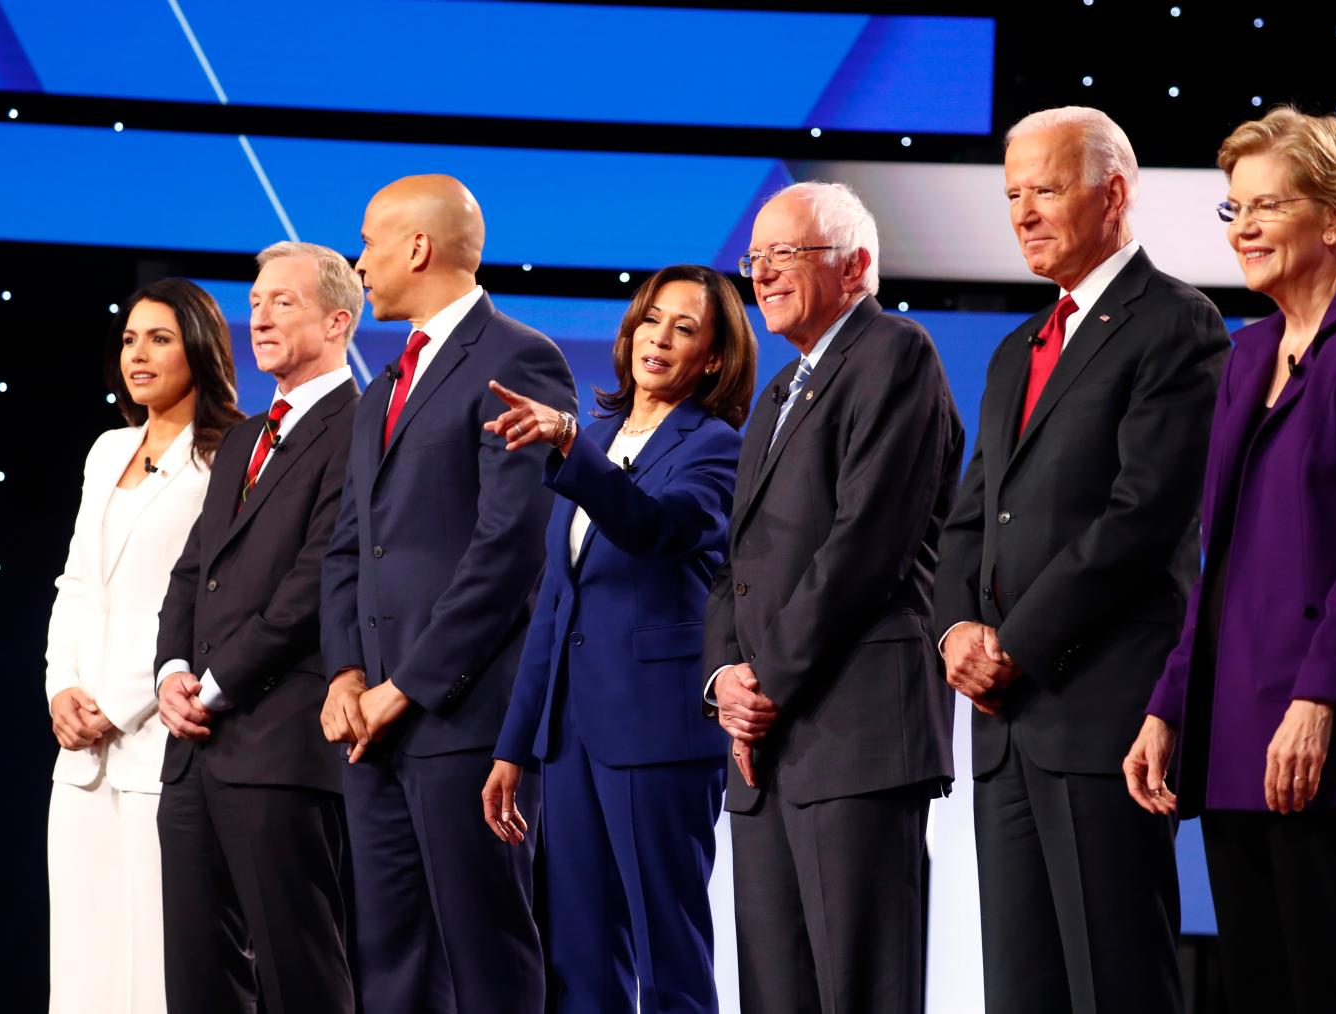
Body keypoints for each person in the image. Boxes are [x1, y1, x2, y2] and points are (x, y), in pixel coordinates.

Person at [1125, 108, 1336, 1014]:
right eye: (1235, 208)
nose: (1243, 228)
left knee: (1335, 985)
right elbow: (1214, 560)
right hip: (1233, 725)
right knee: (1257, 986)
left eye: (1267, 206)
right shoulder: (1248, 351)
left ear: (1334, 218)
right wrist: (1169, 705)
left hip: (1317, 726)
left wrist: (1317, 702)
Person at [935, 106, 1229, 1014]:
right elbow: (969, 518)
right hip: (1005, 727)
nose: (1023, 213)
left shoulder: (1176, 322)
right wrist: (956, 630)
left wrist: (1016, 643)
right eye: (1012, 194)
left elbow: (1143, 518)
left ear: (1113, 194)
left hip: (1102, 715)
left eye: (1046, 190)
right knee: (1020, 990)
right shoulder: (1015, 350)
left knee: (1117, 984)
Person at [319, 174, 577, 1014]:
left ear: (419, 247)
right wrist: (346, 674)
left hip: (465, 722)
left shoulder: (518, 360)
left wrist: (406, 686)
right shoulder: (379, 392)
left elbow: (510, 550)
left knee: (485, 954)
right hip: (372, 731)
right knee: (390, 964)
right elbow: (349, 546)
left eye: (369, 242)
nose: (360, 263)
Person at [705, 181, 961, 1013]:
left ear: (854, 268)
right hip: (766, 745)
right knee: (775, 994)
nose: (762, 273)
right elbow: (735, 562)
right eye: (755, 257)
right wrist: (724, 678)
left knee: (861, 988)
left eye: (786, 254)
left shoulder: (895, 353)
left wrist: (764, 682)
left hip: (855, 735)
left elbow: (866, 546)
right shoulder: (779, 392)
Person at [481, 264, 757, 1014]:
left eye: (684, 329)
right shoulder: (597, 437)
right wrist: (514, 746)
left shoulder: (716, 447)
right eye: (650, 320)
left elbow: (653, 528)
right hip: (571, 741)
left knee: (668, 956)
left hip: (658, 733)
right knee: (580, 959)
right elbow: (555, 606)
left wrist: (572, 444)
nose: (658, 339)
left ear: (714, 359)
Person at [153, 241, 361, 1014]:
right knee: (198, 976)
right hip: (194, 752)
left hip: (281, 746)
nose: (260, 318)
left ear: (338, 322)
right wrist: (171, 672)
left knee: (301, 969)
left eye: (283, 302)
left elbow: (316, 581)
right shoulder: (243, 435)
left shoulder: (362, 427)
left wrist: (216, 684)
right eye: (255, 303)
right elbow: (192, 570)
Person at [43, 278, 243, 1014]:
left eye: (159, 339)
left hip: (161, 738)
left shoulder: (226, 458)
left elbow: (206, 603)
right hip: (80, 753)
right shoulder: (108, 450)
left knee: (157, 961)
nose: (138, 354)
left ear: (200, 348)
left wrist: (121, 702)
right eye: (130, 339)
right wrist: (62, 688)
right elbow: (77, 582)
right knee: (82, 960)